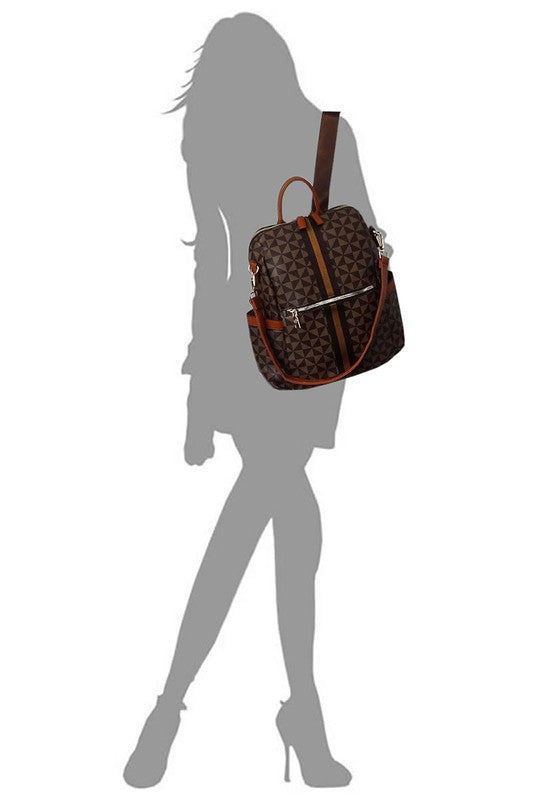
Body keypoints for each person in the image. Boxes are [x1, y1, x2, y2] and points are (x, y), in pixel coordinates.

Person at [123, 12, 378, 788]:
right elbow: (364, 243)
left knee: (277, 506)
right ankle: (289, 713)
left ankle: (174, 710)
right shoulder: (326, 134)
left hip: (244, 347)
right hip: (317, 349)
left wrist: (199, 401)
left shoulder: (211, 136)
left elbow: (213, 268)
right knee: (274, 510)